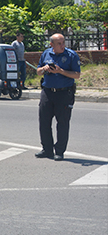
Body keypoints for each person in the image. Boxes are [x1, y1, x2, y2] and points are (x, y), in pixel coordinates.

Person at [35, 33, 81, 161]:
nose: (62, 46)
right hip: (48, 92)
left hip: (64, 93)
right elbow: (38, 71)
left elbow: (77, 75)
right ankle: (47, 149)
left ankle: (59, 151)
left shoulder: (71, 55)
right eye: (59, 43)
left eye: (63, 43)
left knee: (62, 123)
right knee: (44, 122)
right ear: (52, 45)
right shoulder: (46, 54)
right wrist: (44, 68)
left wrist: (60, 71)